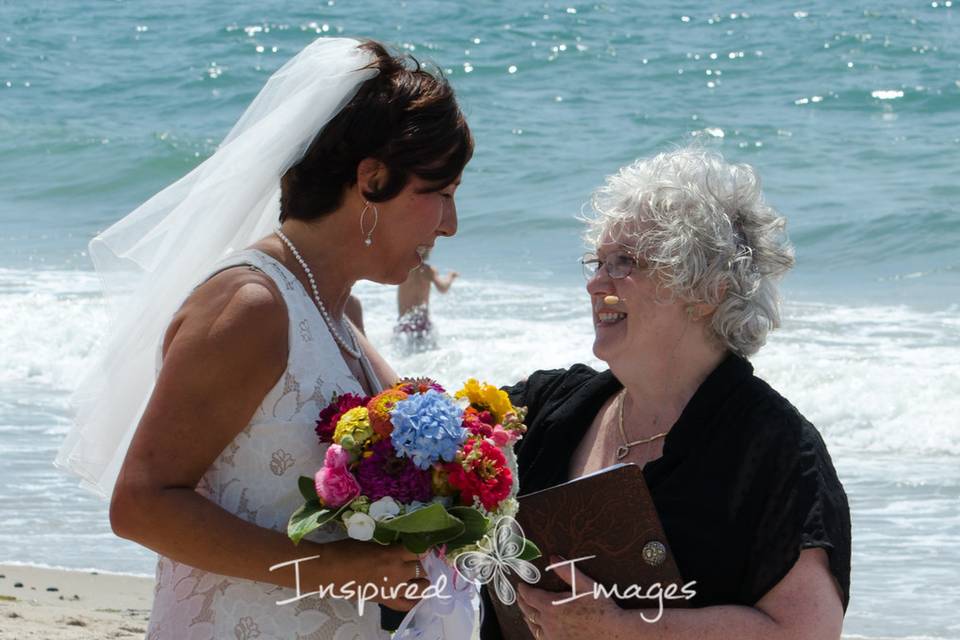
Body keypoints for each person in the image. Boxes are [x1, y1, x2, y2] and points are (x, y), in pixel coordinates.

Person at [56, 38, 472, 638]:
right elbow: (142, 504)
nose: (450, 225)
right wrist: (335, 569)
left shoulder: (339, 307)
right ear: (373, 179)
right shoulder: (251, 306)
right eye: (442, 194)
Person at [480, 148, 850, 639]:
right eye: (597, 262)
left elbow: (804, 632)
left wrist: (622, 629)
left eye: (624, 263)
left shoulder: (774, 447)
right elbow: (404, 438)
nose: (595, 283)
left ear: (707, 290)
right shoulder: (544, 408)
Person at [393, 248, 458, 350]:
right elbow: (443, 288)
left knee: (404, 354)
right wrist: (451, 276)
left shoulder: (404, 269)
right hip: (421, 322)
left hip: (404, 322)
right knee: (429, 352)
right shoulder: (428, 270)